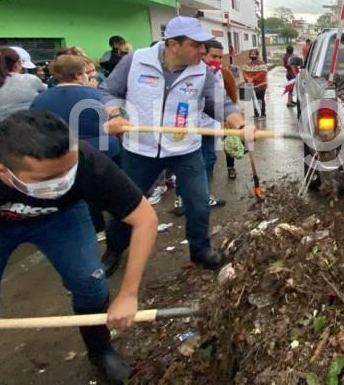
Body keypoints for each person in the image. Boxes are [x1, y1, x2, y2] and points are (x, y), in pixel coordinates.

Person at [0, 110, 158, 383]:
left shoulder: (88, 162)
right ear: (2, 171)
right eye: (46, 179)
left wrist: (128, 294)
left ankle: (101, 350)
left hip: (60, 219)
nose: (62, 181)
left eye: (68, 171)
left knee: (90, 282)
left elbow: (145, 219)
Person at [101, 16, 247, 275]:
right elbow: (108, 91)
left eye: (204, 45)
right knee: (127, 203)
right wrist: (114, 115)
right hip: (141, 149)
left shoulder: (202, 71)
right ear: (172, 44)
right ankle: (114, 249)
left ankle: (200, 249)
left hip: (185, 149)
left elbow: (221, 104)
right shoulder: (136, 61)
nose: (203, 51)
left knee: (199, 202)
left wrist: (240, 124)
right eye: (196, 45)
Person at [30, 55, 122, 232]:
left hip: (63, 154)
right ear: (80, 75)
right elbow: (118, 125)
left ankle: (96, 228)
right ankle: (119, 223)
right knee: (111, 190)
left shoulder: (41, 100)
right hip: (104, 152)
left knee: (80, 191)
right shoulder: (99, 95)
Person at [175, 39, 232, 210]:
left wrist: (231, 117)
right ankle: (182, 199)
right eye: (213, 56)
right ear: (202, 53)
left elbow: (225, 99)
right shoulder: (189, 72)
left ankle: (203, 196)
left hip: (210, 124)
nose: (217, 60)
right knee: (185, 162)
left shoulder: (221, 73)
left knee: (208, 160)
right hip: (189, 124)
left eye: (220, 57)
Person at [0, 47, 46, 129]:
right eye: (21, 62)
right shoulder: (30, 80)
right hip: (31, 132)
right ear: (16, 64)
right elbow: (47, 99)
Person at [243, 48, 269, 117]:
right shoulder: (247, 64)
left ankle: (262, 113)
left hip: (261, 85)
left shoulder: (261, 63)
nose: (252, 55)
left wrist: (253, 79)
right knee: (254, 99)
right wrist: (247, 78)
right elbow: (244, 72)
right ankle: (256, 113)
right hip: (250, 85)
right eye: (251, 54)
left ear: (257, 55)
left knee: (260, 98)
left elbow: (263, 73)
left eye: (254, 54)